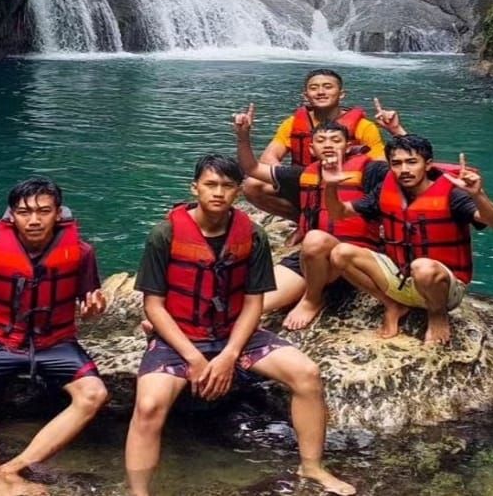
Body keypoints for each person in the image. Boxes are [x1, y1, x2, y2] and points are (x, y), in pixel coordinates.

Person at [124, 154, 355, 496]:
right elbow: (154, 306)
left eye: (227, 186)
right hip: (181, 337)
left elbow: (253, 302)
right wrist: (196, 360)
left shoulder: (253, 235)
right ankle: (138, 492)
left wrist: (229, 354)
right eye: (210, 185)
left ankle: (312, 467)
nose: (218, 193)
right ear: (195, 188)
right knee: (148, 406)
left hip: (235, 332)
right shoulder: (166, 234)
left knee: (306, 374)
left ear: (238, 192)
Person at [0, 177, 109, 496]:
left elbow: (89, 301)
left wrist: (92, 312)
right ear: (11, 215)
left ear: (58, 213)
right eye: (24, 212)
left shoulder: (81, 253)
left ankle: (13, 467)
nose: (33, 220)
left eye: (43, 211)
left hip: (57, 342)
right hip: (1, 343)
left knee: (94, 394)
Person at [321, 135, 493, 345]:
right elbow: (339, 214)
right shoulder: (384, 190)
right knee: (340, 253)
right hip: (401, 279)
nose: (404, 170)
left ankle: (437, 316)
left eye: (412, 162)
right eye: (397, 163)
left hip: (442, 288)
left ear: (427, 165)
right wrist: (330, 186)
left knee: (423, 267)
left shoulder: (453, 195)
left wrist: (478, 194)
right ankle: (393, 305)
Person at [234, 103, 401, 329]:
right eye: (321, 141)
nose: (329, 145)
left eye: (336, 140)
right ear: (311, 149)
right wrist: (243, 136)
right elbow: (253, 169)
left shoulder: (371, 170)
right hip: (315, 261)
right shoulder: (306, 173)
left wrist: (396, 131)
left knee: (314, 238)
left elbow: (410, 170)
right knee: (250, 306)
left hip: (357, 258)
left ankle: (312, 299)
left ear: (349, 145)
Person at [241, 69, 398, 220]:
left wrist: (395, 130)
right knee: (252, 185)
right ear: (306, 95)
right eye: (314, 88)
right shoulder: (292, 123)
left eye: (328, 87)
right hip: (305, 182)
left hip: (346, 186)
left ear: (341, 94)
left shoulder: (363, 126)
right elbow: (269, 157)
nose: (321, 92)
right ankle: (303, 221)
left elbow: (382, 165)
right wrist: (293, 178)